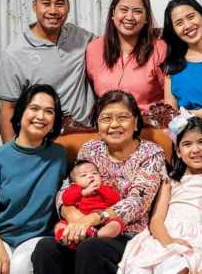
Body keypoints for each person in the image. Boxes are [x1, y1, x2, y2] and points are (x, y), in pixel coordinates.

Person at [32, 90, 167, 274]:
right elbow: (66, 190)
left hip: (126, 234)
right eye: (106, 118)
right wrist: (75, 218)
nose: (114, 125)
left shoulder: (151, 153)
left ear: (135, 122)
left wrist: (93, 219)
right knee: (45, 248)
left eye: (122, 117)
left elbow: (137, 203)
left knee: (92, 249)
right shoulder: (90, 149)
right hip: (83, 228)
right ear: (97, 124)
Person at [119, 116, 202, 274]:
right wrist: (170, 243)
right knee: (146, 265)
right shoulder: (171, 181)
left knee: (180, 266)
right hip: (167, 236)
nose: (195, 149)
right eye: (187, 144)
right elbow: (156, 220)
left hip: (200, 240)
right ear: (178, 151)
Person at [0, 84, 68, 274]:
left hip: (37, 239)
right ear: (21, 112)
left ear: (54, 120)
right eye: (34, 108)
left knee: (19, 268)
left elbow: (69, 195)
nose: (41, 116)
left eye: (49, 111)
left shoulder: (59, 156)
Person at [0, 0, 95, 142]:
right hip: (43, 143)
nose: (53, 10)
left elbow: (114, 44)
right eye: (46, 3)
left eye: (59, 4)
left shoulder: (80, 37)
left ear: (68, 7)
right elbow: (8, 108)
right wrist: (11, 156)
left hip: (85, 138)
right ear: (34, 6)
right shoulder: (15, 53)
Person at [86, 0, 167, 113]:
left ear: (146, 18)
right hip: (108, 126)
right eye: (123, 10)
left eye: (137, 11)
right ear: (113, 13)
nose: (129, 17)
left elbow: (171, 98)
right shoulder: (93, 49)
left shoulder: (160, 48)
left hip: (149, 127)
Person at [53, 160, 123, 247]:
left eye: (94, 173)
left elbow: (115, 200)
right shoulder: (74, 188)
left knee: (116, 223)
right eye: (84, 175)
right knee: (60, 225)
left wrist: (100, 188)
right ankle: (67, 239)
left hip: (102, 220)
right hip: (79, 219)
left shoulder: (104, 188)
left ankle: (99, 235)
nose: (90, 176)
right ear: (74, 182)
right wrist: (83, 192)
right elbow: (66, 200)